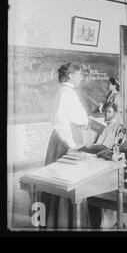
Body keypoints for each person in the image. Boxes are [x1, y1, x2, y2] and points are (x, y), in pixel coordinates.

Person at [42, 63, 90, 229]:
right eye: (79, 74)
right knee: (66, 182)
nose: (81, 77)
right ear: (70, 75)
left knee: (68, 181)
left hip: (68, 138)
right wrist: (71, 145)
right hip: (65, 141)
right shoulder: (66, 93)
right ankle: (65, 224)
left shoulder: (67, 92)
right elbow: (60, 121)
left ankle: (63, 222)